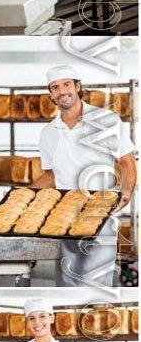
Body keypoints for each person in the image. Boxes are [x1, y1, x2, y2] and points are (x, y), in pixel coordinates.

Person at [34, 65, 136, 287]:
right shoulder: (48, 132)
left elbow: (127, 162)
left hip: (98, 213)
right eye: (55, 87)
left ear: (77, 86)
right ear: (50, 94)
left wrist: (125, 194)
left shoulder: (106, 120)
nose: (62, 91)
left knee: (95, 286)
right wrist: (21, 193)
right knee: (68, 284)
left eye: (67, 84)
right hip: (64, 216)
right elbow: (50, 176)